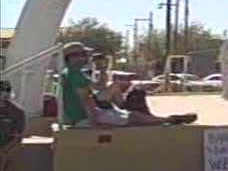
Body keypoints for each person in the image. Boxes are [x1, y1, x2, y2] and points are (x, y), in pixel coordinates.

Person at [60, 42, 196, 128]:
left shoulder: (71, 72)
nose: (86, 58)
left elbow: (97, 87)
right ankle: (168, 120)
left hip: (80, 116)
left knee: (133, 115)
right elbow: (86, 99)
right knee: (133, 118)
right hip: (82, 118)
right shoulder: (75, 74)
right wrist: (94, 123)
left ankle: (165, 119)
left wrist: (102, 70)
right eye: (83, 54)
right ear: (72, 57)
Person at [0, 81, 25, 171]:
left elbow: (18, 135)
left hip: (9, 147)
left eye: (4, 91)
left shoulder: (17, 112)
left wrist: (4, 151)